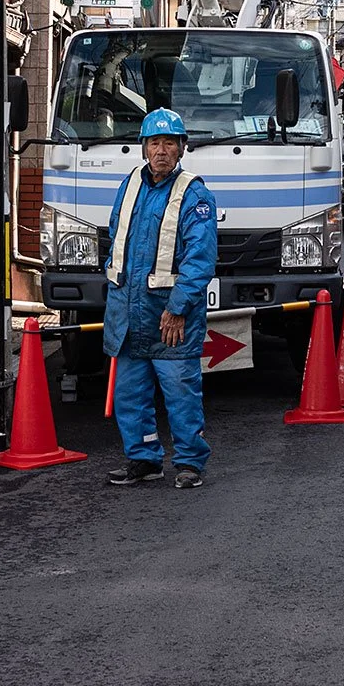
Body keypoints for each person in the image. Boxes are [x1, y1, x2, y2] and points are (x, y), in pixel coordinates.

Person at [102, 108, 219, 489]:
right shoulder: (130, 184)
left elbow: (199, 259)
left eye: (170, 142)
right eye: (155, 142)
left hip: (170, 314)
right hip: (128, 310)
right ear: (144, 147)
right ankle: (143, 459)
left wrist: (177, 309)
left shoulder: (194, 193)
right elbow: (116, 235)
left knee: (180, 392)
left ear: (182, 148)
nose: (162, 150)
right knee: (130, 394)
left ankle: (189, 463)